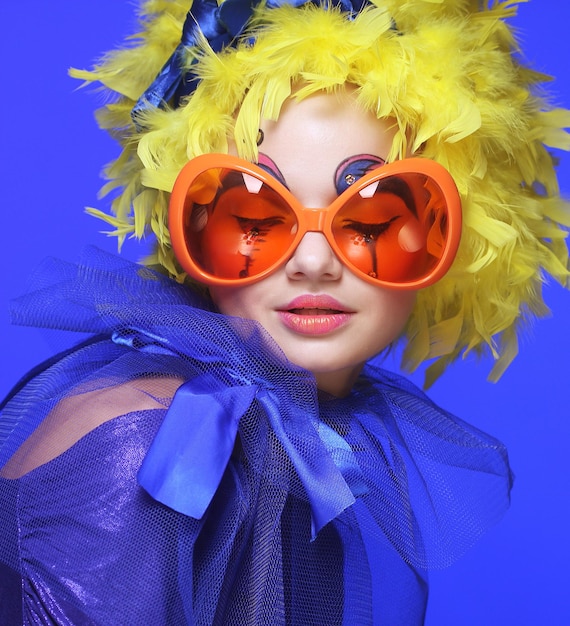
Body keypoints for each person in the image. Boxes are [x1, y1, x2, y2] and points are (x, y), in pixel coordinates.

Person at [0, 0, 568, 624]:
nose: (315, 262)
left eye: (376, 218)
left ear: (449, 237)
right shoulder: (147, 443)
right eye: (253, 216)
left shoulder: (323, 443)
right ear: (185, 228)